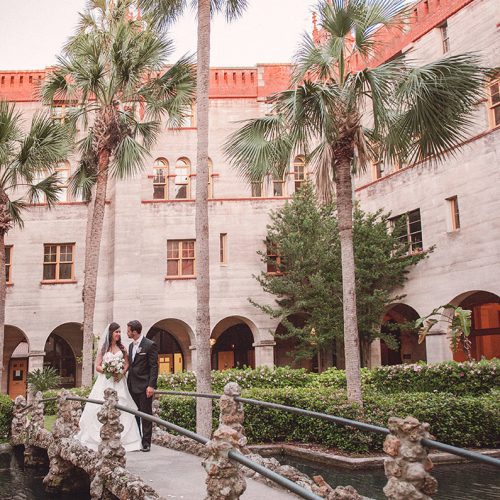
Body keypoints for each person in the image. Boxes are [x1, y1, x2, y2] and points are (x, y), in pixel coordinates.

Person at [75, 322, 141, 451]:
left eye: (119, 331)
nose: (118, 334)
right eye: (116, 331)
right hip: (105, 381)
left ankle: (127, 441)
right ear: (110, 333)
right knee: (99, 407)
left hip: (119, 382)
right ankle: (98, 439)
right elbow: (97, 366)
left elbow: (127, 364)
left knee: (124, 407)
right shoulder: (103, 349)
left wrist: (121, 373)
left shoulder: (122, 348)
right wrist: (108, 370)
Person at [126, 320, 158, 452]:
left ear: (134, 331)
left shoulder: (150, 345)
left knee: (146, 414)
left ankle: (146, 442)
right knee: (134, 413)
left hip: (144, 385)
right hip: (131, 385)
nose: (127, 332)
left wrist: (151, 386)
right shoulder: (130, 346)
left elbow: (154, 367)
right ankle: (137, 439)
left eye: (128, 330)